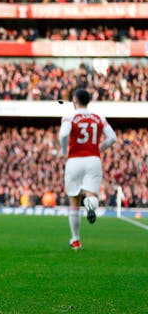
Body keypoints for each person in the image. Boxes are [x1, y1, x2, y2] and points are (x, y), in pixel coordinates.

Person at [59, 88, 116, 250]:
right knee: (91, 195)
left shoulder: (70, 117)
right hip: (93, 159)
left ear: (75, 100)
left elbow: (63, 135)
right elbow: (112, 138)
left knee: (73, 200)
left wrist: (64, 152)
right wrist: (99, 149)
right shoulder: (98, 117)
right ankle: (90, 203)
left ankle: (75, 239)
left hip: (75, 159)